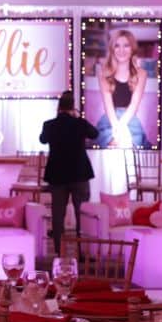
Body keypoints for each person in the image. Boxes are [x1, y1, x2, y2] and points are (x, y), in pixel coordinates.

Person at [39, 90, 98, 256]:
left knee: (58, 214)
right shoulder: (80, 123)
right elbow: (95, 133)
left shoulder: (49, 125)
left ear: (59, 107)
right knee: (82, 214)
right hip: (80, 174)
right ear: (73, 106)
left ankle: (59, 251)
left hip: (57, 175)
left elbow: (42, 139)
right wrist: (78, 117)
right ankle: (82, 252)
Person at [92, 26, 150, 150]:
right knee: (109, 141)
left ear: (132, 49)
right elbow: (108, 105)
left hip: (130, 119)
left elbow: (134, 105)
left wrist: (121, 128)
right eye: (117, 46)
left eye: (126, 46)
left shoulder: (142, 74)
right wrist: (116, 130)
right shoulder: (103, 73)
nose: (121, 50)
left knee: (132, 143)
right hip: (110, 120)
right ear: (112, 49)